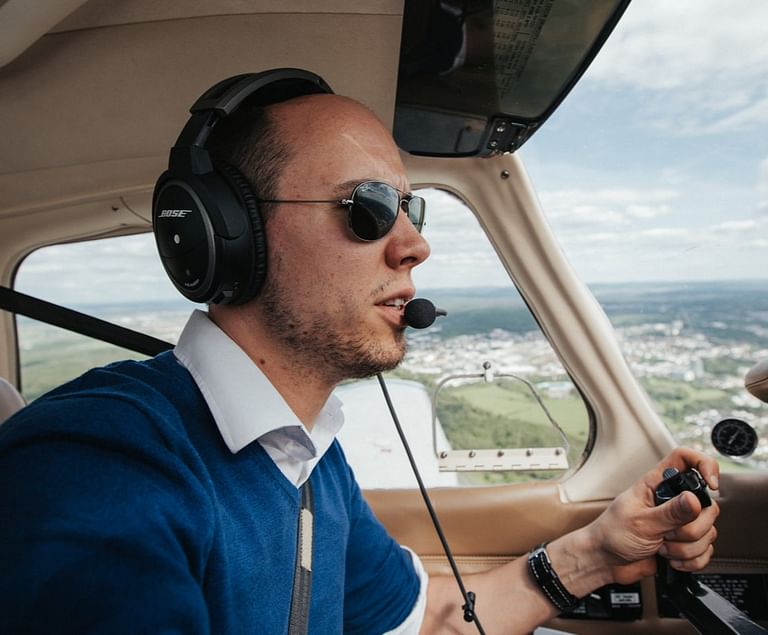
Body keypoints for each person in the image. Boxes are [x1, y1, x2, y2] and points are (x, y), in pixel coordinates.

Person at [0, 73, 719, 634]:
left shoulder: (308, 456)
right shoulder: (97, 472)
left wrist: (599, 549)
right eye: (368, 206)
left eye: (411, 208)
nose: (414, 245)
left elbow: (428, 619)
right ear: (229, 234)